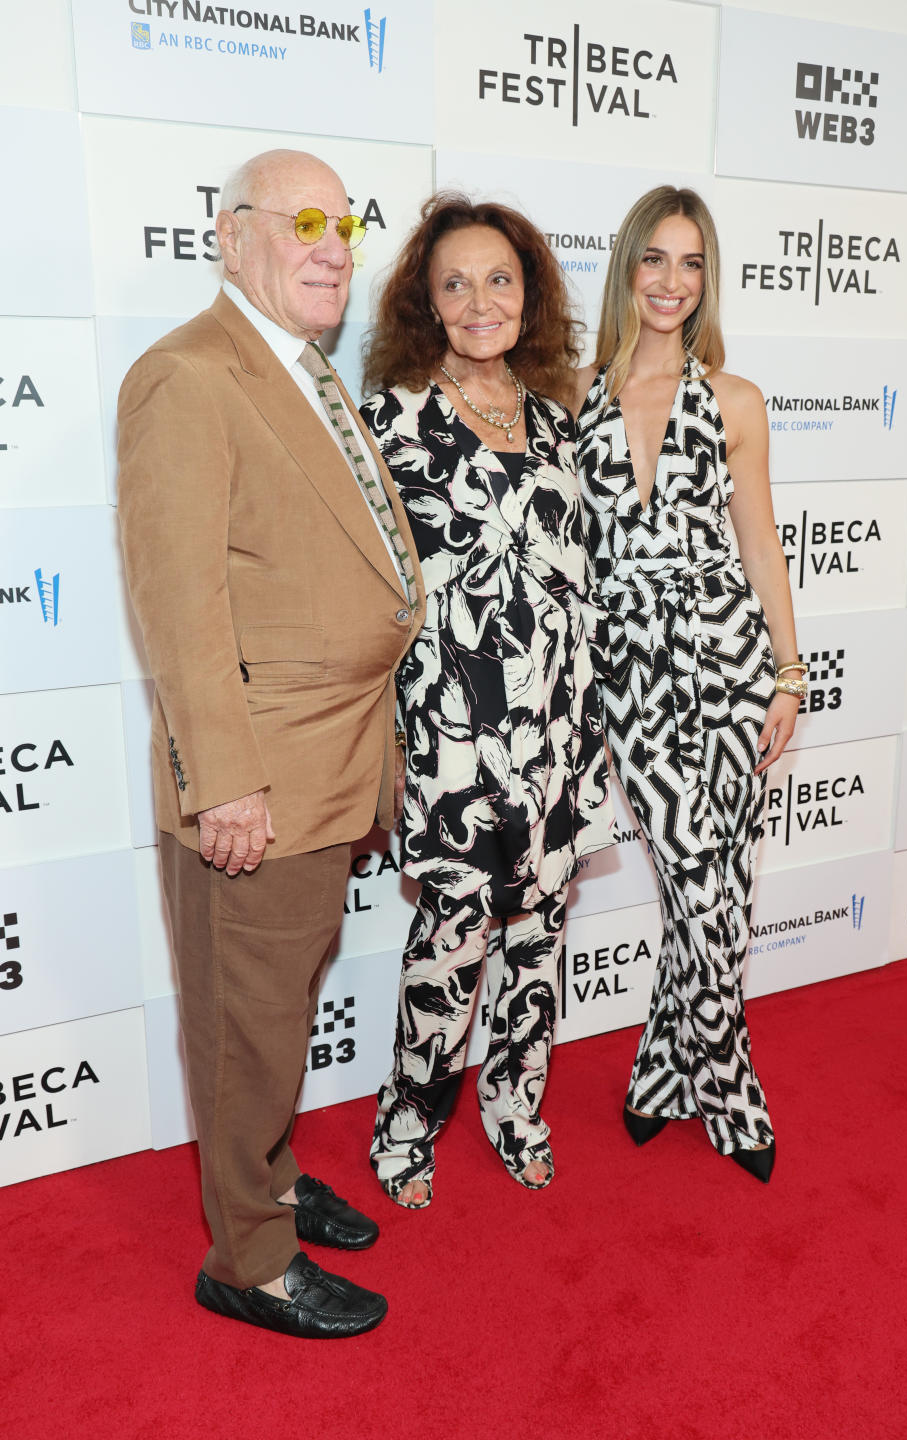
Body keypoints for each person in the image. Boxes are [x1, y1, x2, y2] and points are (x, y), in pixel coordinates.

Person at [117, 148, 424, 1336]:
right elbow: (177, 602)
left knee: (280, 1007)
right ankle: (246, 1259)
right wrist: (225, 783)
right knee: (245, 1019)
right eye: (302, 220)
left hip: (333, 762)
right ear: (227, 236)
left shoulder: (305, 371)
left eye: (345, 223)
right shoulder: (188, 377)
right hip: (259, 777)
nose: (333, 244)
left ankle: (274, 1183)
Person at [360, 194, 614, 1208]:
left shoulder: (561, 421)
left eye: (499, 279)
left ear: (530, 293)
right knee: (451, 943)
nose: (479, 301)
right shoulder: (391, 421)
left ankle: (516, 1108)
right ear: (426, 302)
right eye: (454, 282)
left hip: (558, 730)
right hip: (455, 737)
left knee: (539, 938)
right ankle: (407, 1127)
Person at [574, 187, 806, 1184]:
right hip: (629, 666)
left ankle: (663, 1074)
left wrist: (789, 673)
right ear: (626, 268)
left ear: (708, 279)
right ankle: (729, 1084)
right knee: (697, 876)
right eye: (655, 260)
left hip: (730, 656)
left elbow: (758, 537)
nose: (672, 282)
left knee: (718, 883)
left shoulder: (735, 398)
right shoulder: (572, 400)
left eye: (693, 263)